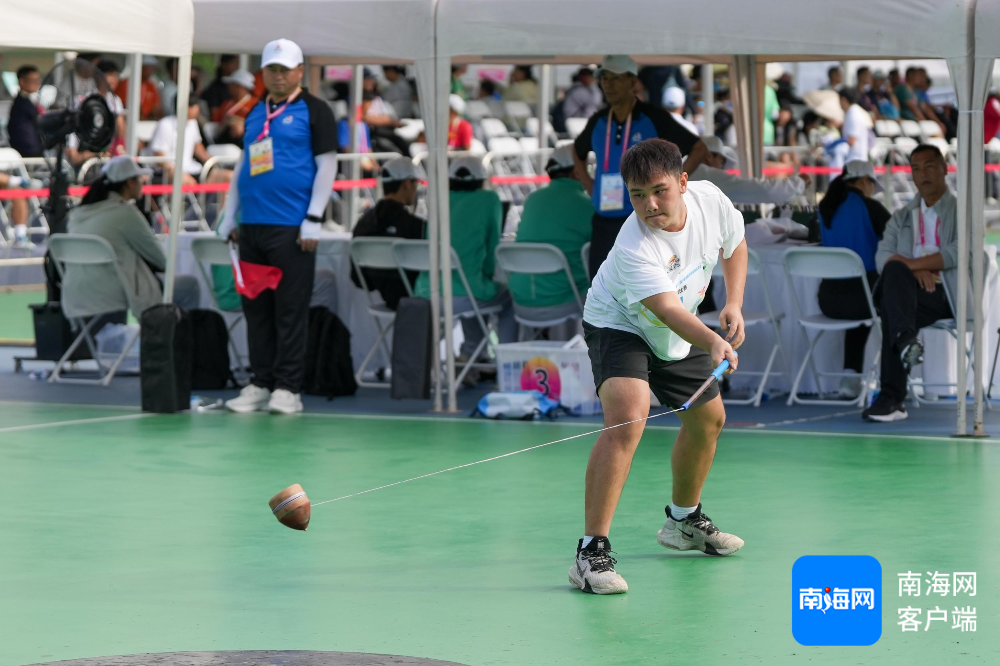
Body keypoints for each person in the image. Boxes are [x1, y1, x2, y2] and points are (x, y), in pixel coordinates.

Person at [570, 139, 746, 595]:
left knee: (709, 419)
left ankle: (683, 522)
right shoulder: (633, 245)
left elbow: (736, 244)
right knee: (628, 417)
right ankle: (590, 552)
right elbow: (666, 310)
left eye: (659, 190)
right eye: (636, 194)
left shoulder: (711, 201)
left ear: (683, 182)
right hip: (620, 321)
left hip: (676, 324)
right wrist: (711, 339)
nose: (649, 204)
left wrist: (735, 303)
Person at [216, 38, 338, 415]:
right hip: (252, 225)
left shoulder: (315, 110)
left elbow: (328, 165)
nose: (279, 75)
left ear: (300, 70)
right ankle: (260, 381)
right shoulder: (255, 112)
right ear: (263, 72)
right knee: (257, 309)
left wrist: (314, 217)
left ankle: (289, 388)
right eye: (272, 69)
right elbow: (242, 167)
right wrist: (230, 214)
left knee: (289, 309)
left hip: (291, 227)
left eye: (285, 69)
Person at [574, 55, 708, 280]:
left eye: (615, 79)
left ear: (631, 81)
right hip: (603, 221)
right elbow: (576, 152)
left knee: (645, 291)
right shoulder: (598, 120)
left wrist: (671, 186)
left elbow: (699, 149)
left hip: (642, 221)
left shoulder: (653, 117)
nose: (608, 84)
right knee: (602, 290)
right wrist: (591, 187)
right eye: (604, 78)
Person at [864, 145, 968, 423]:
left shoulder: (962, 211)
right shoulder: (902, 215)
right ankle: (906, 341)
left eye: (930, 166)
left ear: (945, 168)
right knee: (895, 301)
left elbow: (960, 252)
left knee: (893, 297)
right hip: (911, 294)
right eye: (916, 168)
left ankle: (891, 399)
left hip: (948, 294)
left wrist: (913, 266)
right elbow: (882, 256)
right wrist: (909, 271)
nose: (923, 174)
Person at [62, 157, 200, 318]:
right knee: (191, 286)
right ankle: (175, 341)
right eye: (139, 178)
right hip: (112, 292)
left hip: (74, 294)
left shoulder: (78, 214)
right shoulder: (125, 213)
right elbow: (162, 261)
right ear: (129, 182)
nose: (144, 181)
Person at [414, 157, 516, 365]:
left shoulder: (436, 199)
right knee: (505, 296)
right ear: (481, 180)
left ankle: (472, 357)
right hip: (464, 293)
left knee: (476, 288)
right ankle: (507, 364)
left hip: (425, 292)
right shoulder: (489, 200)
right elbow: (491, 252)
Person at [816, 161, 890, 396]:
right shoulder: (871, 208)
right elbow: (899, 237)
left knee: (862, 302)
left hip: (827, 300)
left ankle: (850, 376)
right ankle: (899, 378)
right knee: (881, 302)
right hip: (863, 299)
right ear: (865, 181)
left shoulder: (825, 207)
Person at [508, 145, 592, 337]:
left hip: (521, 302)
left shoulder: (532, 199)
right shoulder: (587, 205)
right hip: (568, 302)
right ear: (576, 171)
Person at [351, 158, 426, 309]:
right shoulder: (417, 226)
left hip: (383, 300)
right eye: (416, 183)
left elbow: (357, 278)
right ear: (406, 183)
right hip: (419, 301)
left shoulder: (362, 224)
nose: (417, 188)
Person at [148, 95, 232, 195]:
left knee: (229, 176)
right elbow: (160, 157)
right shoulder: (165, 125)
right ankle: (194, 209)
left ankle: (220, 210)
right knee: (185, 181)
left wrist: (208, 159)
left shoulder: (193, 123)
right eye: (196, 107)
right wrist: (177, 172)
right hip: (168, 173)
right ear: (187, 108)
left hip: (193, 169)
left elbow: (197, 146)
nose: (198, 110)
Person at [688, 135, 808, 203]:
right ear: (709, 157)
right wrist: (799, 183)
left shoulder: (686, 173)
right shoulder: (706, 176)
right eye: (722, 161)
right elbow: (760, 190)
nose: (722, 167)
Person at [211, 69, 259, 148]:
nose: (228, 87)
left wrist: (243, 129)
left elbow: (260, 126)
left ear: (238, 86)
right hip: (223, 142)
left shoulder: (256, 104)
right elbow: (215, 123)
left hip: (247, 144)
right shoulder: (226, 104)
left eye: (231, 84)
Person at [8, 65, 43, 159]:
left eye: (38, 80)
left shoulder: (28, 100)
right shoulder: (21, 103)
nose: (37, 83)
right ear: (22, 82)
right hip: (29, 151)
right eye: (33, 80)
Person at [117, 55, 162, 121]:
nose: (152, 70)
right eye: (150, 67)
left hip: (147, 123)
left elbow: (156, 107)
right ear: (141, 66)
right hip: (130, 122)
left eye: (153, 67)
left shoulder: (151, 86)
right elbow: (123, 105)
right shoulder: (125, 83)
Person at [97, 61, 128, 156]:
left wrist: (120, 144)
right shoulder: (89, 97)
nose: (114, 80)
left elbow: (120, 125)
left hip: (110, 149)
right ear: (99, 76)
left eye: (116, 76)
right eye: (110, 75)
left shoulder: (115, 99)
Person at [839, 88, 872, 164]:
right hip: (855, 159)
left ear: (843, 99)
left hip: (855, 160)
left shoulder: (853, 114)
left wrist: (835, 143)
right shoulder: (852, 112)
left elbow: (851, 140)